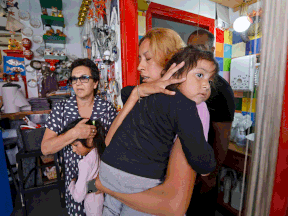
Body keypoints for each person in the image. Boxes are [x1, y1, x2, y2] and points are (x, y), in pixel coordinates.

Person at [95, 28, 212, 216]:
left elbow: (174, 203)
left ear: (171, 61)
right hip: (123, 192)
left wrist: (104, 186)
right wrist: (136, 94)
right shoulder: (144, 95)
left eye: (147, 59)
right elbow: (109, 144)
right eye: (140, 59)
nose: (139, 67)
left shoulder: (192, 107)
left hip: (148, 201)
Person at [41, 58, 117, 216]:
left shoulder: (106, 109)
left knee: (100, 210)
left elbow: (116, 145)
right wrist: (75, 133)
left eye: (84, 78)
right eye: (74, 79)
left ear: (95, 83)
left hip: (101, 182)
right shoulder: (61, 109)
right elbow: (45, 148)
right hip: (75, 182)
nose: (78, 83)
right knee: (79, 208)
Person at [186, 29, 235, 215]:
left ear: (212, 49)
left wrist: (211, 176)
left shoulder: (220, 89)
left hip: (205, 173)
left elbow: (222, 137)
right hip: (185, 171)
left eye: (200, 48)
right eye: (191, 48)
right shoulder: (188, 83)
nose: (195, 53)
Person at [59, 118, 105, 216]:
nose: (74, 150)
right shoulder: (100, 153)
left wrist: (71, 184)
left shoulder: (84, 163)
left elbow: (78, 196)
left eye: (76, 145)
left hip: (93, 209)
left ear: (90, 139)